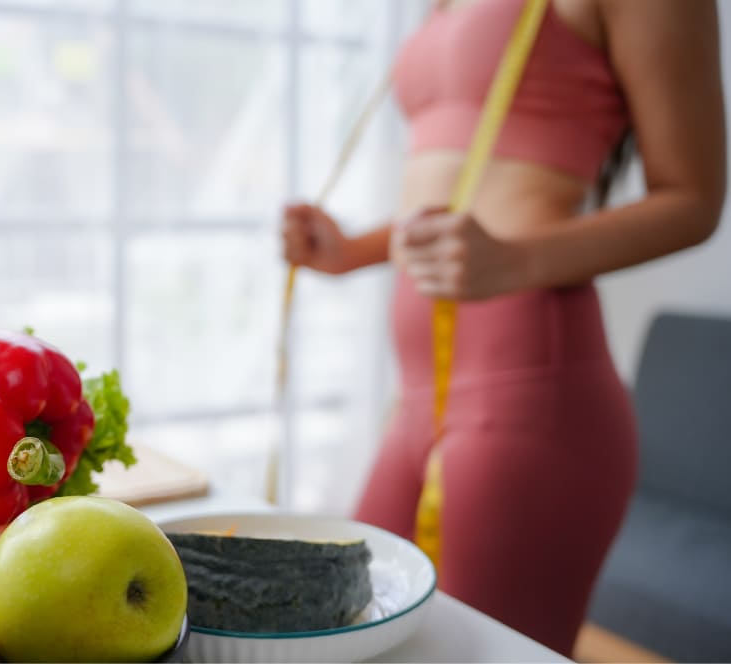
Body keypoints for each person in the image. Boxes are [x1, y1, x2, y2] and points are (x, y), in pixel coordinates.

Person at [281, 0, 725, 657]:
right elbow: (460, 189)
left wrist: (514, 260)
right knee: (340, 637)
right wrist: (350, 251)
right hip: (419, 398)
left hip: (532, 395)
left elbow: (694, 199)